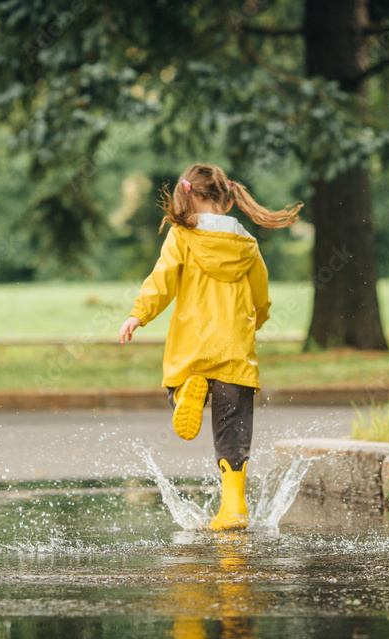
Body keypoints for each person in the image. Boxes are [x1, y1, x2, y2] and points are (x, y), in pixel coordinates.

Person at [119, 163, 302, 531]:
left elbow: (162, 281)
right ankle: (234, 508)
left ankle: (187, 391)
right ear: (229, 202)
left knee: (179, 388)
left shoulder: (182, 237)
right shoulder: (247, 245)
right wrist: (257, 322)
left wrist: (139, 315)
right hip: (234, 354)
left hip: (192, 348)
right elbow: (260, 298)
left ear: (187, 197)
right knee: (232, 432)